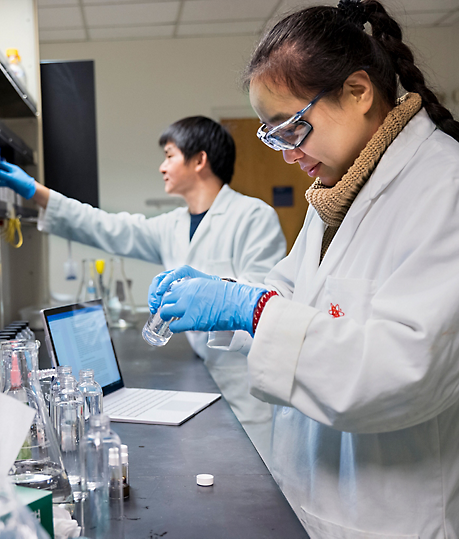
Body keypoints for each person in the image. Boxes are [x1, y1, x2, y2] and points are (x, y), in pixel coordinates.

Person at [148, 1, 459, 536]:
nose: (288, 154)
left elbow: (402, 370)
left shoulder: (443, 188)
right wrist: (228, 297)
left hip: (389, 515)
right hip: (309, 495)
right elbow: (289, 295)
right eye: (273, 137)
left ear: (358, 92)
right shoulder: (339, 191)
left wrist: (253, 310)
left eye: (291, 127)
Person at [0, 116, 286, 431]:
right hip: (203, 378)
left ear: (200, 160)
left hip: (243, 382)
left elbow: (267, 307)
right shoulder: (171, 225)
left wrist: (217, 293)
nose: (162, 167)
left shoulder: (254, 217)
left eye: (169, 155)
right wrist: (37, 193)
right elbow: (106, 227)